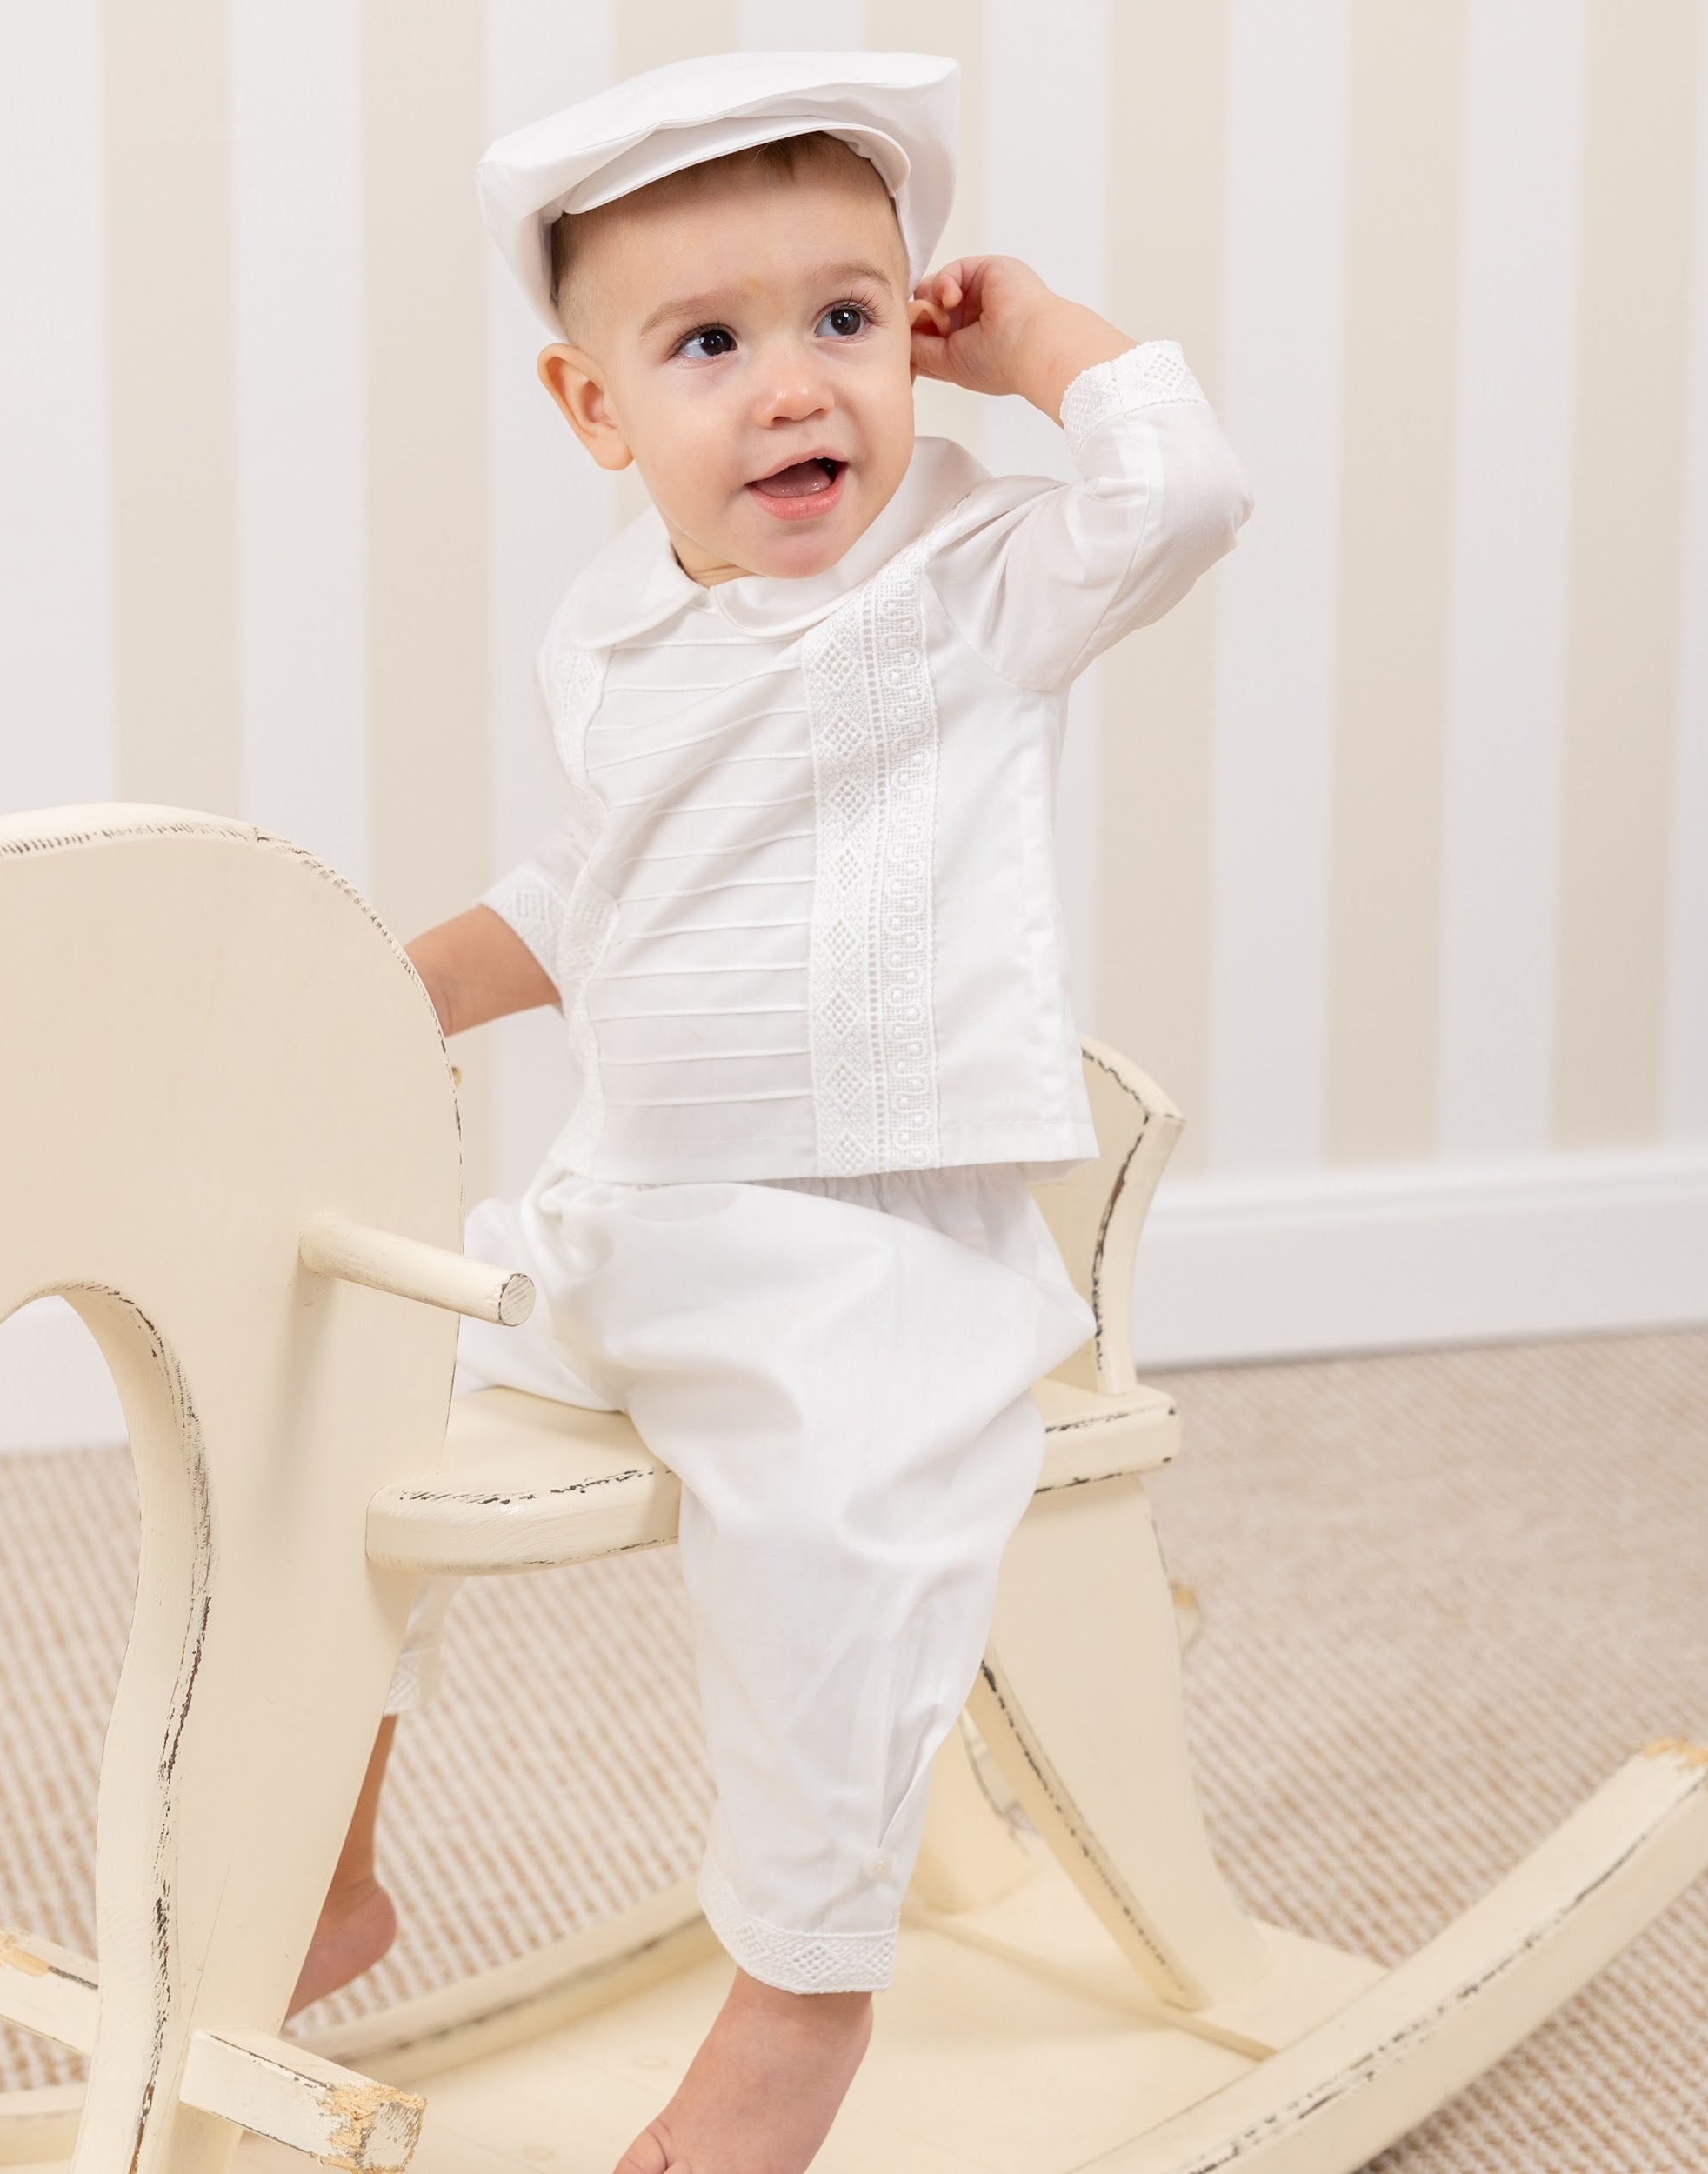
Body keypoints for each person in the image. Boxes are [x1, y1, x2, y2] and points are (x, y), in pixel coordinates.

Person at [295, 50, 1249, 2174]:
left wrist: (1036, 348)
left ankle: (798, 2004)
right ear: (593, 412)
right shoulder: (618, 627)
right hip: (616, 1209)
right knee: (338, 1407)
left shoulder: (975, 583)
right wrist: (390, 987)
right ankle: (326, 1852)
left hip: (861, 1237)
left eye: (846, 318)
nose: (794, 385)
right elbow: (596, 882)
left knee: (833, 1553)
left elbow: (1177, 493)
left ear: (914, 334)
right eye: (708, 343)